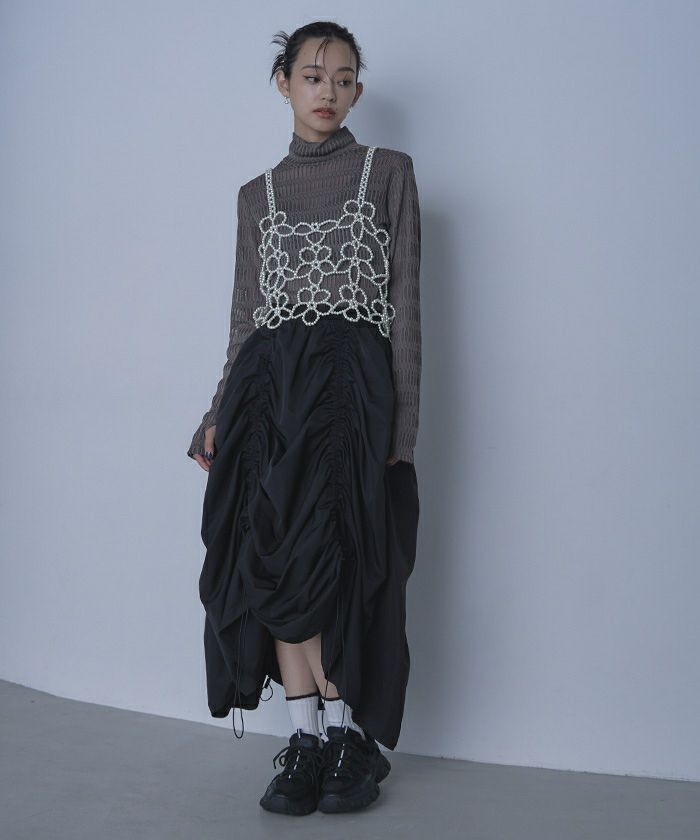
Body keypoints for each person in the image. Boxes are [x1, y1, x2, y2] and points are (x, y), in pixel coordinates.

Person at [187, 20, 421, 816]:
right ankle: (305, 741)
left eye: (344, 78)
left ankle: (351, 738)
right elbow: (245, 318)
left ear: (358, 90)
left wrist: (401, 431)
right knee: (274, 557)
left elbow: (406, 310)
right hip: (269, 396)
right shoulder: (256, 196)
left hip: (352, 395)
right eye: (314, 75)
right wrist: (217, 412)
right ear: (283, 83)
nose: (329, 91)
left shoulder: (388, 172)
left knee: (344, 562)